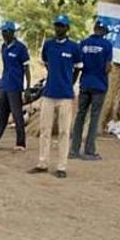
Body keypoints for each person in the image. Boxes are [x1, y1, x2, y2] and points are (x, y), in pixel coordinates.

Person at [29, 14, 83, 179]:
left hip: (65, 96)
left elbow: (78, 68)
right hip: (48, 94)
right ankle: (42, 163)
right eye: (57, 25)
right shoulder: (49, 45)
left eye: (62, 26)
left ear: (67, 28)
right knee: (45, 130)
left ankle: (62, 166)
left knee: (64, 132)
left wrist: (69, 83)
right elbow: (46, 63)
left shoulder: (74, 47)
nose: (59, 28)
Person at [70, 20, 114, 160]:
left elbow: (78, 65)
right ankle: (89, 150)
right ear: (104, 31)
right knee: (94, 118)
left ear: (94, 29)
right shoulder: (107, 45)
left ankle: (74, 150)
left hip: (85, 83)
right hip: (99, 86)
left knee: (80, 116)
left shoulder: (82, 44)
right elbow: (107, 68)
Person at [0, 21, 31, 151]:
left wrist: (27, 88)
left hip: (15, 87)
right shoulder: (3, 47)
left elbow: (27, 68)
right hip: (4, 85)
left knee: (17, 116)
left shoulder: (21, 48)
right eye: (2, 32)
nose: (3, 34)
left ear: (12, 32)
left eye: (5, 32)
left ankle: (20, 143)